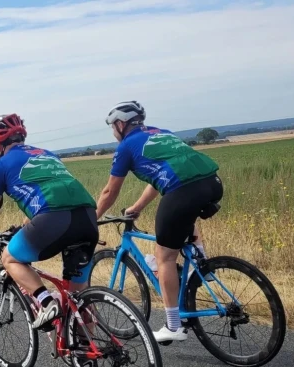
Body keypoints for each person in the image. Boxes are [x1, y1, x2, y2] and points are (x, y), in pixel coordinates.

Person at [95, 101, 224, 342]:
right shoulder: (161, 133)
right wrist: (137, 207)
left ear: (121, 124)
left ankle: (173, 326)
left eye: (113, 126)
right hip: (212, 183)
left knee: (164, 256)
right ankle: (202, 266)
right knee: (185, 218)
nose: (113, 132)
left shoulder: (126, 146)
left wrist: (92, 219)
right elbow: (159, 177)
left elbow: (109, 192)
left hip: (184, 191)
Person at [0, 114, 99, 331]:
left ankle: (46, 303)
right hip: (88, 218)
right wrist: (24, 226)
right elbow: (47, 190)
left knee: (9, 257)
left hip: (53, 220)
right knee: (78, 297)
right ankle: (90, 347)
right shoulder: (48, 155)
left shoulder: (0, 166)